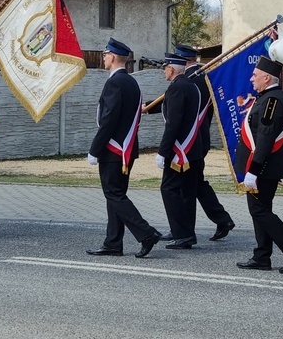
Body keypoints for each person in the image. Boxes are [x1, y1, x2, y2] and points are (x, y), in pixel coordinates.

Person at [86, 38, 162, 258]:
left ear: (111, 57)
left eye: (104, 54)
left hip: (113, 149)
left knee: (114, 194)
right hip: (126, 148)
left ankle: (146, 233)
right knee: (116, 196)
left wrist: (95, 149)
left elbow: (109, 119)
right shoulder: (131, 82)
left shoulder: (115, 82)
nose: (103, 58)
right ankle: (113, 243)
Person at [234, 54, 283, 273]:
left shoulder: (272, 100)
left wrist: (253, 171)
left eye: (255, 75)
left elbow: (265, 138)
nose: (251, 79)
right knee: (261, 210)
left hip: (263, 167)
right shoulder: (267, 97)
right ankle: (262, 256)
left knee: (259, 210)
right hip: (263, 166)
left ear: (267, 78)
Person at [173, 44, 235, 241]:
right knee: (197, 183)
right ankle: (222, 219)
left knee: (186, 187)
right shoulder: (201, 77)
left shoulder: (194, 79)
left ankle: (183, 231)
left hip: (191, 140)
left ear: (184, 61)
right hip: (200, 139)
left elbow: (182, 106)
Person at [154, 52, 203, 250]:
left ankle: (182, 233)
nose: (164, 71)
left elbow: (173, 124)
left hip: (179, 151)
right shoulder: (192, 86)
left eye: (165, 68)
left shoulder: (175, 88)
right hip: (194, 149)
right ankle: (184, 232)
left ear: (172, 69)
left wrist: (162, 152)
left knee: (169, 189)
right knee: (187, 193)